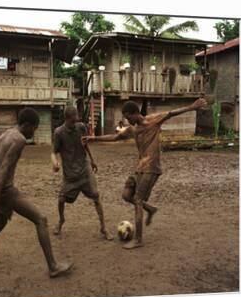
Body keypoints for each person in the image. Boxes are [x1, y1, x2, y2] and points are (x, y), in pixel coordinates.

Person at [83, 98, 207, 249]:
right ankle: (151, 209)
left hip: (152, 167)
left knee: (138, 200)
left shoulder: (152, 120)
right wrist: (93, 138)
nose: (127, 120)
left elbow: (171, 113)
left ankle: (138, 239)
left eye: (128, 117)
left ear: (135, 113)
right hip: (139, 167)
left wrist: (192, 107)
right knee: (126, 195)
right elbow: (115, 137)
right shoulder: (132, 129)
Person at [0, 108, 73, 278]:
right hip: (4, 191)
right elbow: (3, 170)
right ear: (27, 125)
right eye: (35, 127)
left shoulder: (8, 133)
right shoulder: (19, 140)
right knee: (41, 220)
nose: (35, 131)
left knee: (0, 224)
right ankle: (53, 267)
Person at [51, 106, 112, 240]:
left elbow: (85, 145)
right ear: (66, 119)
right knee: (61, 199)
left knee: (96, 196)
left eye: (76, 120)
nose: (75, 123)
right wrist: (55, 162)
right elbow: (53, 151)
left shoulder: (81, 127)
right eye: (72, 121)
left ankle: (103, 228)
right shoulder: (59, 133)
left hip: (85, 169)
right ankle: (61, 221)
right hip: (70, 174)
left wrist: (92, 160)